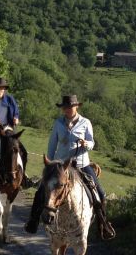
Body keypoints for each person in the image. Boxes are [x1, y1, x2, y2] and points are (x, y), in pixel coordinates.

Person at [24, 95, 113, 239]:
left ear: (76, 107)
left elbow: (92, 142)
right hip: (60, 166)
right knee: (40, 191)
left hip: (81, 164)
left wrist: (86, 144)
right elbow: (52, 144)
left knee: (100, 193)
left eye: (70, 107)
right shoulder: (58, 123)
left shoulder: (85, 122)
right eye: (65, 107)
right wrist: (50, 165)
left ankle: (103, 226)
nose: (67, 110)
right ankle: (33, 221)